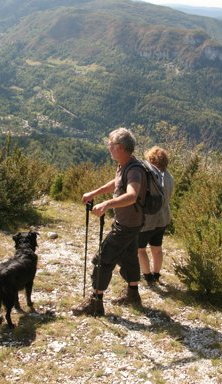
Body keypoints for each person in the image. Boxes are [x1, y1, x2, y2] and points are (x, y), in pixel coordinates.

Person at [72, 128, 147, 317]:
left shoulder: (135, 170)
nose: (108, 147)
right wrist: (94, 193)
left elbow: (131, 196)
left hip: (127, 224)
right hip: (131, 222)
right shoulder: (125, 164)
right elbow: (115, 183)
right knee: (129, 257)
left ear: (119, 147)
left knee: (102, 259)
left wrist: (106, 203)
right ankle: (133, 295)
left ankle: (95, 303)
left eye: (110, 144)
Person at [137, 146, 174, 285]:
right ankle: (156, 274)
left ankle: (147, 276)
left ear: (151, 159)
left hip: (148, 220)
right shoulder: (169, 177)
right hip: (163, 218)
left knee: (140, 249)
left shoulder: (150, 175)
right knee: (157, 248)